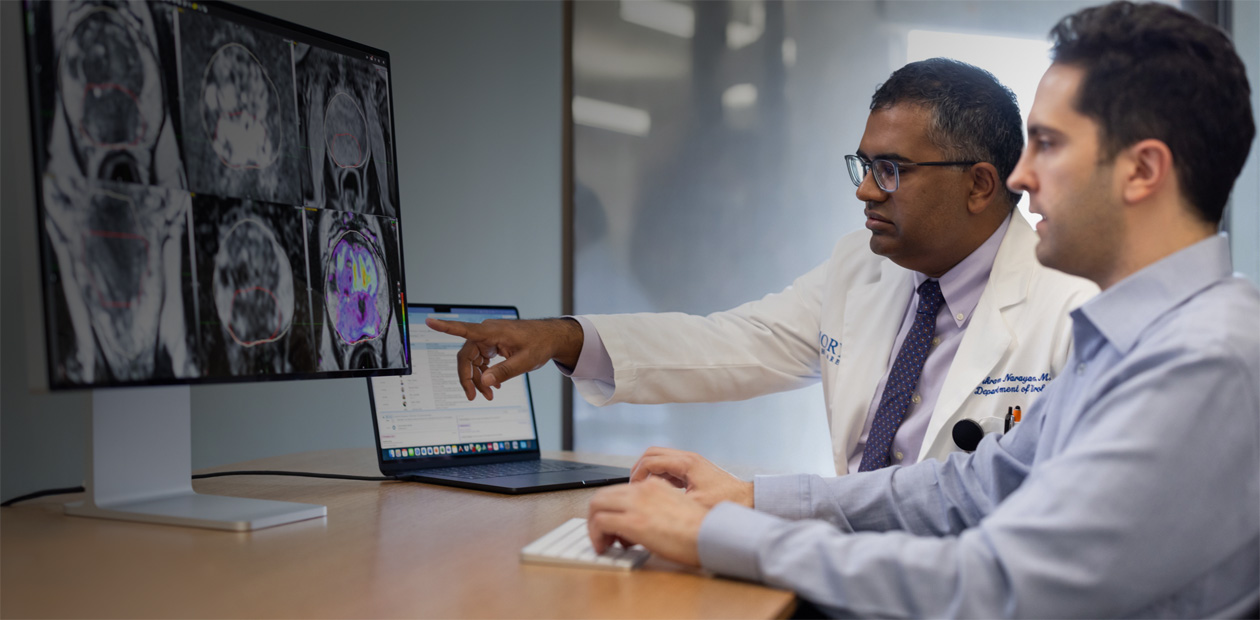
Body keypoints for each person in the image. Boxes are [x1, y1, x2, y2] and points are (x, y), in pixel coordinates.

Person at [584, 2, 1260, 617]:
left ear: (1142, 171)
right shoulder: (1127, 338)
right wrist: (753, 501)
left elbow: (994, 585)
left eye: (1048, 145)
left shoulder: (1204, 362)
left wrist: (721, 535)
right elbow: (964, 489)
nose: (1021, 177)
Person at [429, 59, 1097, 474]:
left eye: (890, 171)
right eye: (864, 167)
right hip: (850, 576)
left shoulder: (1073, 308)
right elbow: (730, 344)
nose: (865, 191)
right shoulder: (860, 271)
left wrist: (759, 508)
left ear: (981, 185)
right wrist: (565, 338)